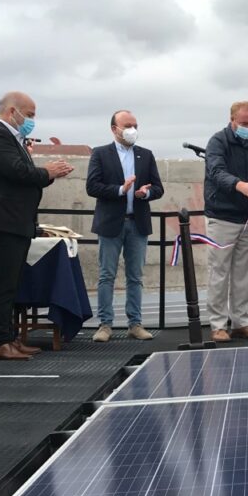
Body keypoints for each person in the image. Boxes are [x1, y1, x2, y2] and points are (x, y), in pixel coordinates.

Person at [0, 92, 73, 360]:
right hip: (3, 223)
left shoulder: (13, 139)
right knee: (2, 285)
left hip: (16, 223)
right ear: (12, 112)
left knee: (11, 285)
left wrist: (45, 175)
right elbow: (17, 172)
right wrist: (48, 172)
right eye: (29, 115)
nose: (31, 120)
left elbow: (23, 175)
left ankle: (8, 336)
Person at [86, 110, 164, 343]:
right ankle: (105, 324)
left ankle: (135, 323)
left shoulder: (145, 155)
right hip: (111, 223)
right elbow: (92, 186)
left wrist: (145, 193)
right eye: (127, 125)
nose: (132, 130)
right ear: (114, 129)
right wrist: (121, 189)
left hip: (137, 223)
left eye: (135, 125)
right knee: (106, 275)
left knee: (135, 276)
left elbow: (158, 188)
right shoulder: (101, 154)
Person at [203, 100, 248, 343]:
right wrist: (238, 185)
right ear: (232, 120)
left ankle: (241, 322)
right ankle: (218, 325)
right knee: (219, 272)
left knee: (243, 273)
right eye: (244, 123)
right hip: (221, 217)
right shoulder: (217, 142)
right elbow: (215, 171)